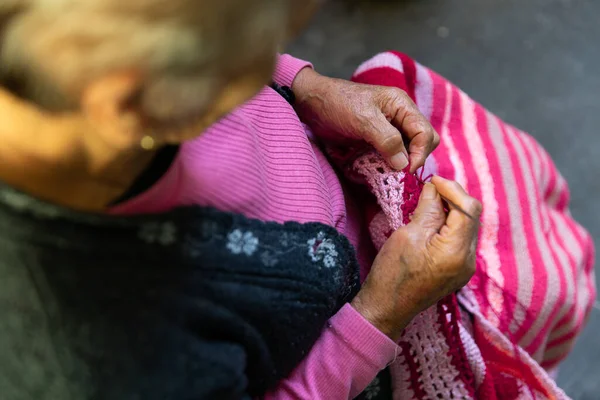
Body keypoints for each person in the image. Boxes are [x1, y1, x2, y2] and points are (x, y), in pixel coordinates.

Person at [0, 1, 593, 400]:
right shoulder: (98, 362)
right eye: (255, 59)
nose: (269, 67)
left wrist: (302, 86)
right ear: (139, 106)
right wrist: (382, 312)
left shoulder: (65, 58)